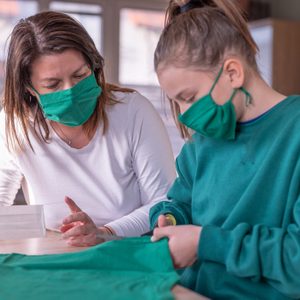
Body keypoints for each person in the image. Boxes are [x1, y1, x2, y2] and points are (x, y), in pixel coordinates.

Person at [149, 0, 300, 299]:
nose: (183, 115)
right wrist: (170, 219)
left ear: (232, 73)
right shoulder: (201, 146)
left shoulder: (293, 133)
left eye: (189, 97)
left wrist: (205, 243)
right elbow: (182, 203)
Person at [0, 11, 176, 246]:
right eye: (52, 84)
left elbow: (162, 203)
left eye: (80, 75)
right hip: (56, 251)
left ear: (94, 68)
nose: (71, 91)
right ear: (29, 89)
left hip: (128, 249)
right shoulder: (15, 123)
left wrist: (106, 232)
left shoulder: (133, 112)